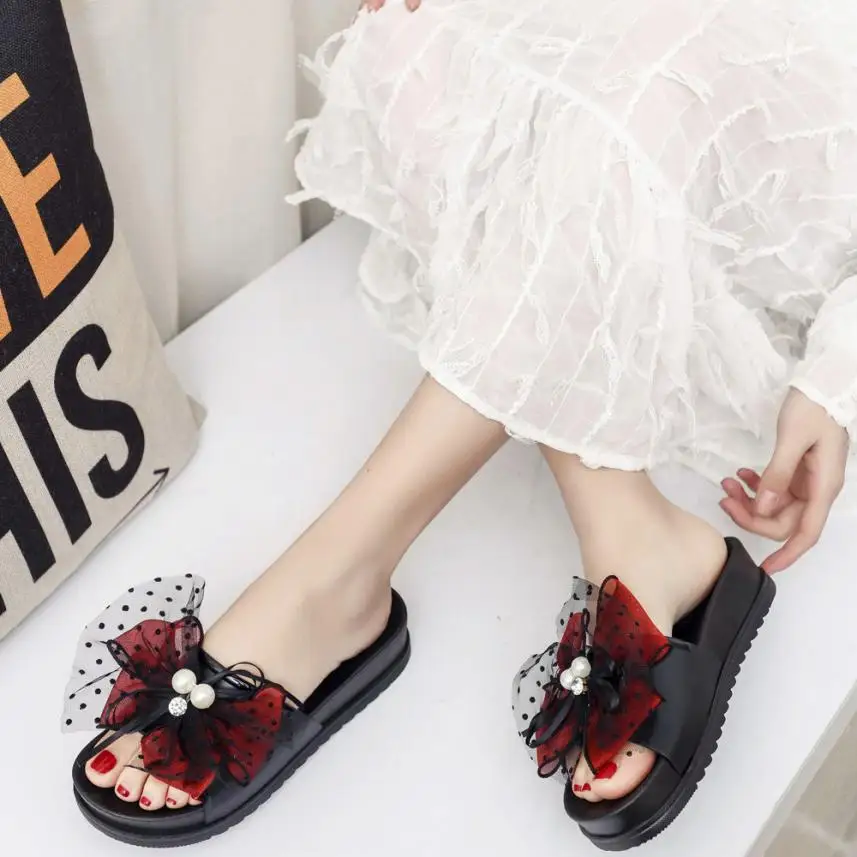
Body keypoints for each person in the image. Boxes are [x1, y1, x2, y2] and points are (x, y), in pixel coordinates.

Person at [71, 0, 854, 846]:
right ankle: (633, 532)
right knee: (430, 50)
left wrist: (838, 374)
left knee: (630, 95)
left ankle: (335, 574)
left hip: (781, 108)